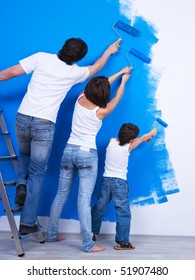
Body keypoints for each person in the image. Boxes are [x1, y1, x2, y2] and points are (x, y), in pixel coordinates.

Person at [0, 37, 121, 235]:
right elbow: (97, 67)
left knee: (24, 154)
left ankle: (21, 184)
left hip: (23, 118)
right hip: (44, 124)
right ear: (78, 58)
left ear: (63, 47)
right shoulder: (75, 73)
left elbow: (11, 73)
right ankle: (28, 222)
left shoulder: (41, 58)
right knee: (38, 172)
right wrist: (109, 50)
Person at [47, 66, 132, 253]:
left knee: (60, 195)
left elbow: (100, 84)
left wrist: (118, 72)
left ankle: (51, 234)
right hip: (87, 154)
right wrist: (123, 80)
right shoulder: (101, 110)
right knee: (83, 201)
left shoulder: (80, 98)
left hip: (68, 151)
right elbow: (116, 96)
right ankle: (87, 244)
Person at [91, 123, 157, 250]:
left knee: (99, 207)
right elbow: (144, 138)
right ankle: (123, 242)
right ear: (131, 140)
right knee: (123, 212)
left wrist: (140, 139)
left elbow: (138, 139)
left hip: (106, 181)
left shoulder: (111, 142)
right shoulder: (128, 147)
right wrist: (151, 134)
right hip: (120, 183)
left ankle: (92, 233)